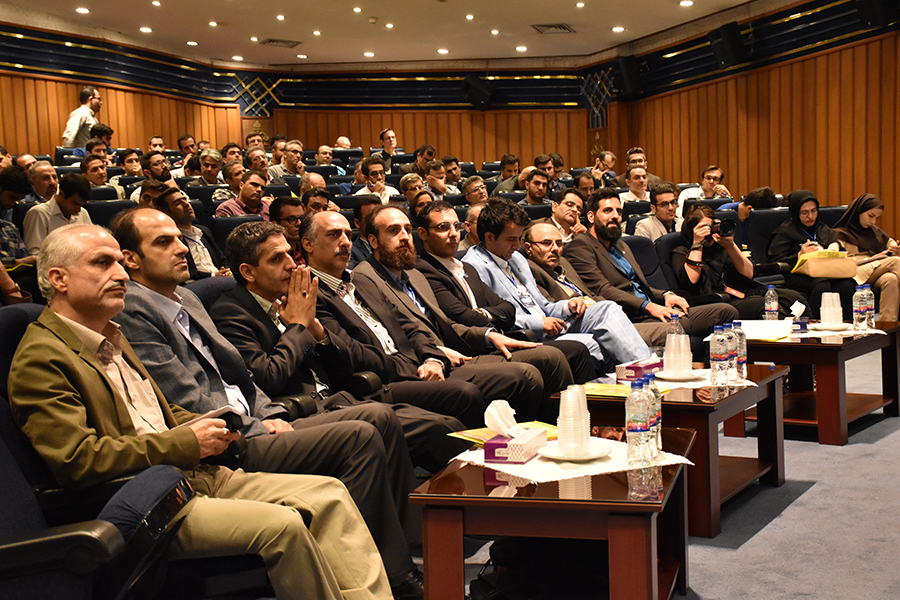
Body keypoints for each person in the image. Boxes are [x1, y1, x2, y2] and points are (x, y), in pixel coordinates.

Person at [8, 223, 392, 600]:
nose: (121, 274)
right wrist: (187, 440)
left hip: (195, 473)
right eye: (102, 263)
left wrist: (216, 423)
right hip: (151, 499)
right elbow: (78, 460)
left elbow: (156, 412)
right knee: (284, 525)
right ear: (58, 279)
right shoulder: (42, 357)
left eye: (120, 264)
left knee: (329, 494)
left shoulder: (109, 334)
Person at [110, 209, 423, 599]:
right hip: (228, 440)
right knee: (362, 433)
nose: (182, 248)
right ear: (131, 259)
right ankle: (394, 575)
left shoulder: (186, 297)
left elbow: (240, 377)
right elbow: (185, 398)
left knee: (380, 419)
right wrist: (255, 422)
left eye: (178, 238)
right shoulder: (135, 307)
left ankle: (407, 551)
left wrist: (268, 413)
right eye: (163, 242)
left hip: (263, 418)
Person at [211, 219, 472, 474]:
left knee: (447, 427)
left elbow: (343, 365)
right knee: (419, 427)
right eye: (277, 259)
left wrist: (317, 331)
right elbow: (268, 379)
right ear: (248, 272)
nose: (292, 264)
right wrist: (298, 327)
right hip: (302, 414)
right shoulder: (231, 313)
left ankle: (474, 492)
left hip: (342, 398)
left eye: (290, 254)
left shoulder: (290, 299)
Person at [355, 204, 581, 421]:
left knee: (554, 357)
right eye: (393, 231)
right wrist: (434, 354)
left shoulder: (413, 275)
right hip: (427, 362)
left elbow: (447, 324)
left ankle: (566, 431)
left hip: (456, 349)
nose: (405, 236)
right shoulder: (365, 278)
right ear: (373, 240)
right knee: (526, 373)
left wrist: (489, 335)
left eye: (407, 229)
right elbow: (397, 332)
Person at [301, 210, 519, 429]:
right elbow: (352, 353)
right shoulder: (308, 295)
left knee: (513, 379)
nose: (345, 242)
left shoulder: (360, 281)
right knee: (464, 395)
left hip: (414, 365)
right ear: (308, 244)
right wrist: (409, 363)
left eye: (348, 235)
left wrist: (432, 358)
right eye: (334, 234)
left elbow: (408, 326)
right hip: (379, 383)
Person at [462, 197, 651, 372]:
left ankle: (647, 369)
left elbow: (543, 306)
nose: (517, 245)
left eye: (519, 238)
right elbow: (491, 319)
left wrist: (567, 306)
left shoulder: (516, 258)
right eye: (511, 239)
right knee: (598, 344)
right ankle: (644, 375)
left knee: (607, 308)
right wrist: (539, 323)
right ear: (489, 237)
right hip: (526, 333)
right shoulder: (473, 266)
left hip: (553, 324)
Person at [416, 201, 596, 383]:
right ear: (422, 233)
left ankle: (591, 399)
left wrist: (483, 313)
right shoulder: (425, 270)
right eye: (443, 227)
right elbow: (461, 315)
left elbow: (507, 308)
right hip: (475, 346)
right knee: (555, 356)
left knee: (578, 347)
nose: (454, 233)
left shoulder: (466, 267)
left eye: (456, 226)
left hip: (496, 337)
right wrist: (491, 318)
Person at [565, 189, 738, 345]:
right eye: (608, 211)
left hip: (650, 307)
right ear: (591, 217)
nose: (615, 216)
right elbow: (603, 289)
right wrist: (649, 306)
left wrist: (666, 295)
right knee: (679, 324)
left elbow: (640, 285)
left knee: (726, 311)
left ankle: (716, 364)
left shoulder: (620, 245)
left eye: (619, 211)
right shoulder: (581, 246)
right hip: (630, 315)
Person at [672, 204, 808, 320]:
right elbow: (692, 279)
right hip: (718, 301)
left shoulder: (720, 248)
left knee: (794, 298)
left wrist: (730, 245)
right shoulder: (682, 252)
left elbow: (749, 274)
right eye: (703, 227)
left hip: (742, 293)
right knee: (764, 305)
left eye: (711, 225)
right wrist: (697, 244)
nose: (708, 231)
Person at [766, 190, 856, 320]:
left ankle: (849, 324)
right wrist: (800, 254)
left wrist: (835, 246)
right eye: (804, 213)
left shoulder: (822, 228)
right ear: (796, 212)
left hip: (826, 271)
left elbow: (838, 248)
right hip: (796, 274)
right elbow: (774, 262)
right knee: (822, 285)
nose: (810, 216)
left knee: (848, 284)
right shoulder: (785, 232)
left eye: (814, 211)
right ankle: (815, 323)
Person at [833, 193, 900, 321]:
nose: (873, 222)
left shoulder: (875, 232)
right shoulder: (839, 233)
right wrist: (871, 258)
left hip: (873, 270)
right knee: (896, 262)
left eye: (876, 218)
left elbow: (891, 244)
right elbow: (839, 261)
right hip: (852, 272)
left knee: (891, 279)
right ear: (859, 211)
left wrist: (896, 249)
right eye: (871, 216)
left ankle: (887, 325)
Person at [152, 187, 230, 280]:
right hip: (195, 283)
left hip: (220, 278)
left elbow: (221, 259)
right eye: (178, 203)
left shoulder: (204, 231)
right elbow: (181, 271)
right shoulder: (170, 239)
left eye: (184, 199)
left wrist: (226, 270)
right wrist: (212, 275)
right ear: (167, 213)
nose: (186, 204)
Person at [24, 172, 93, 255]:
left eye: (81, 205)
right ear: (61, 193)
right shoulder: (39, 213)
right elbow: (34, 252)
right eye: (75, 204)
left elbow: (92, 244)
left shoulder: (83, 213)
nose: (78, 210)